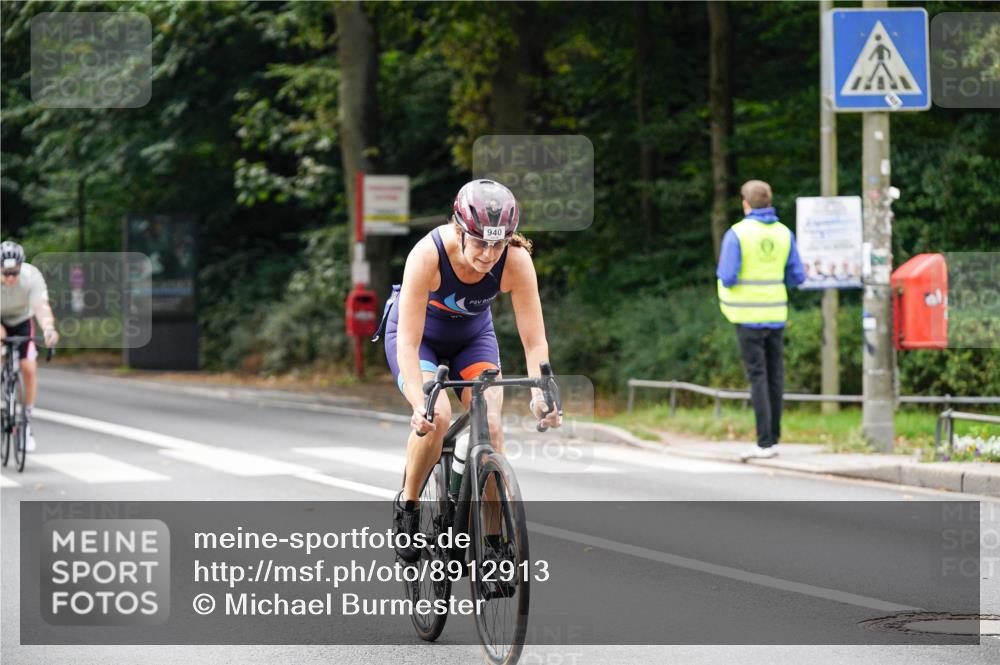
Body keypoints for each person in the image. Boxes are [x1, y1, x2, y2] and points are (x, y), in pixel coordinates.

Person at [379, 179, 561, 562]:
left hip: (472, 339)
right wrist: (418, 403)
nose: (489, 254)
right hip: (419, 340)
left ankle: (493, 544)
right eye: (479, 242)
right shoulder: (428, 255)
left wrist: (541, 395)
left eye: (499, 243)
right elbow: (408, 344)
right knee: (437, 415)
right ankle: (408, 506)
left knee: (491, 426)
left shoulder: (516, 261)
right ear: (459, 230)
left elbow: (534, 343)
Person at [716, 181, 805, 461]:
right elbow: (797, 276)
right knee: (775, 376)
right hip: (775, 314)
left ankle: (764, 443)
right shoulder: (783, 233)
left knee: (758, 377)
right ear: (769, 202)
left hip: (747, 316)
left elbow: (727, 276)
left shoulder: (737, 234)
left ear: (746, 204)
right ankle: (773, 438)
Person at [0, 240, 60, 452]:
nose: (10, 278)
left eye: (14, 273)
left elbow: (41, 307)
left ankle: (25, 421)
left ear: (21, 267)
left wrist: (49, 329)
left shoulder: (31, 276)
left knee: (29, 367)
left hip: (22, 320)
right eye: (5, 273)